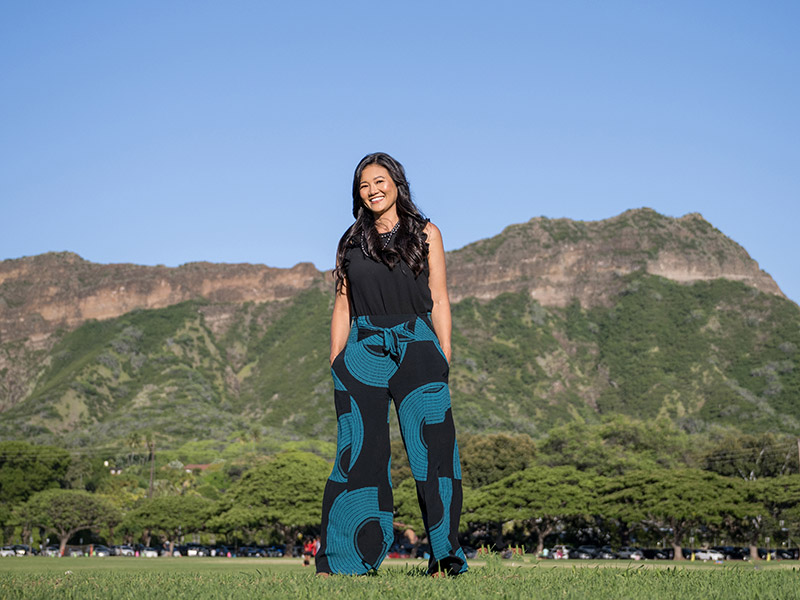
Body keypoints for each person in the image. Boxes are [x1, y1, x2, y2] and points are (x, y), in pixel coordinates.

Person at [315, 152, 468, 577]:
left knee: (433, 452)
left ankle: (445, 559)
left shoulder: (427, 233)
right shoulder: (350, 240)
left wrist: (444, 352)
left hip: (418, 343)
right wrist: (336, 359)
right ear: (357, 194)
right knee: (359, 451)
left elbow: (439, 297)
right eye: (364, 185)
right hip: (362, 348)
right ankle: (347, 561)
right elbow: (342, 304)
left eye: (379, 181)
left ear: (397, 183)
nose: (372, 190)